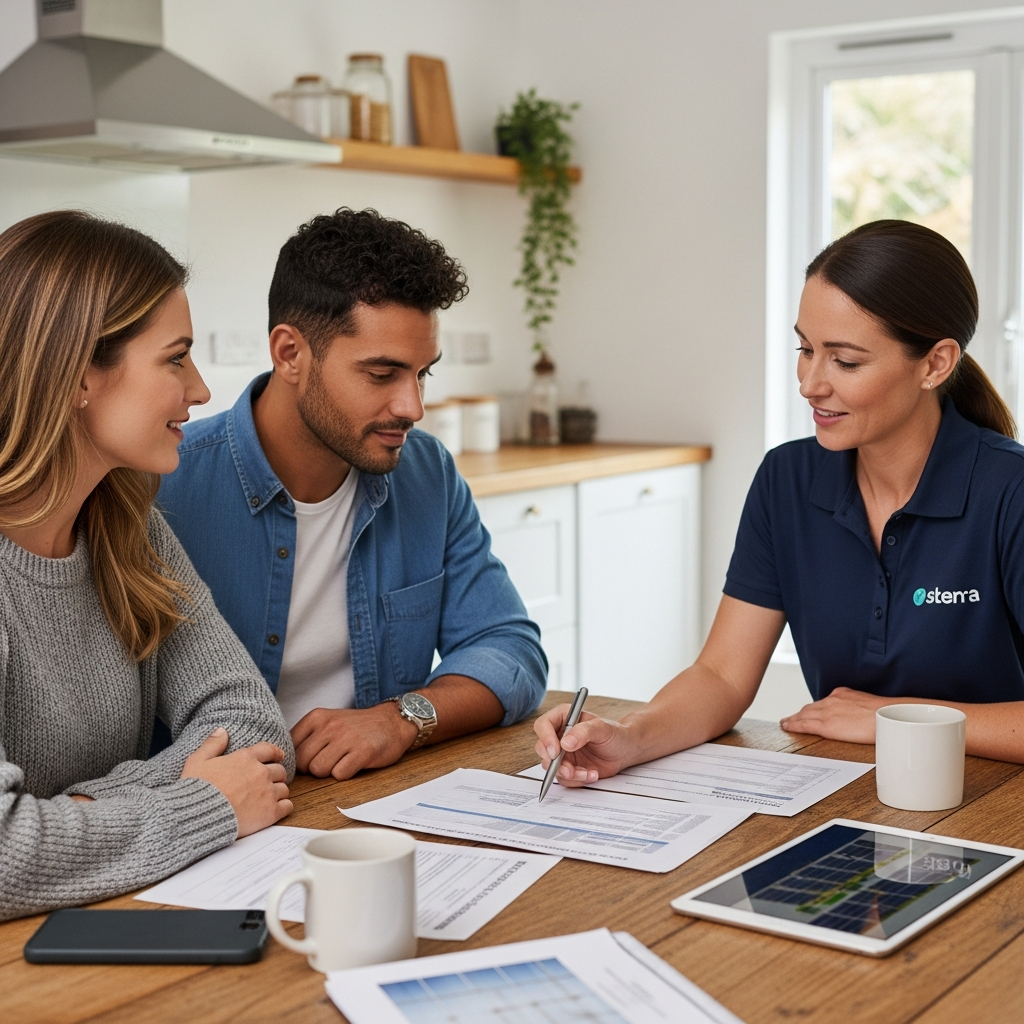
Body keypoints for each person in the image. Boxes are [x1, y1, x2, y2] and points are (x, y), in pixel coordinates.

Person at [536, 219, 1024, 784]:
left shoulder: (1008, 491)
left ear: (935, 364)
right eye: (805, 348)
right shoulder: (786, 479)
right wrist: (630, 737)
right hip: (846, 795)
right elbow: (721, 674)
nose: (810, 383)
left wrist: (901, 721)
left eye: (845, 361)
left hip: (995, 808)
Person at [158, 208, 546, 781]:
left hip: (370, 798)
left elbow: (510, 648)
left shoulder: (426, 472)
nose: (412, 407)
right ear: (290, 354)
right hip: (214, 820)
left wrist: (401, 719)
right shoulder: (163, 485)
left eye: (422, 374)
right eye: (381, 374)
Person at [0, 211, 294, 922]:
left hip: (92, 927)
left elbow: (253, 724)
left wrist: (74, 812)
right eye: (175, 358)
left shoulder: (132, 532)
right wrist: (200, 802)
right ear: (77, 378)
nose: (199, 389)